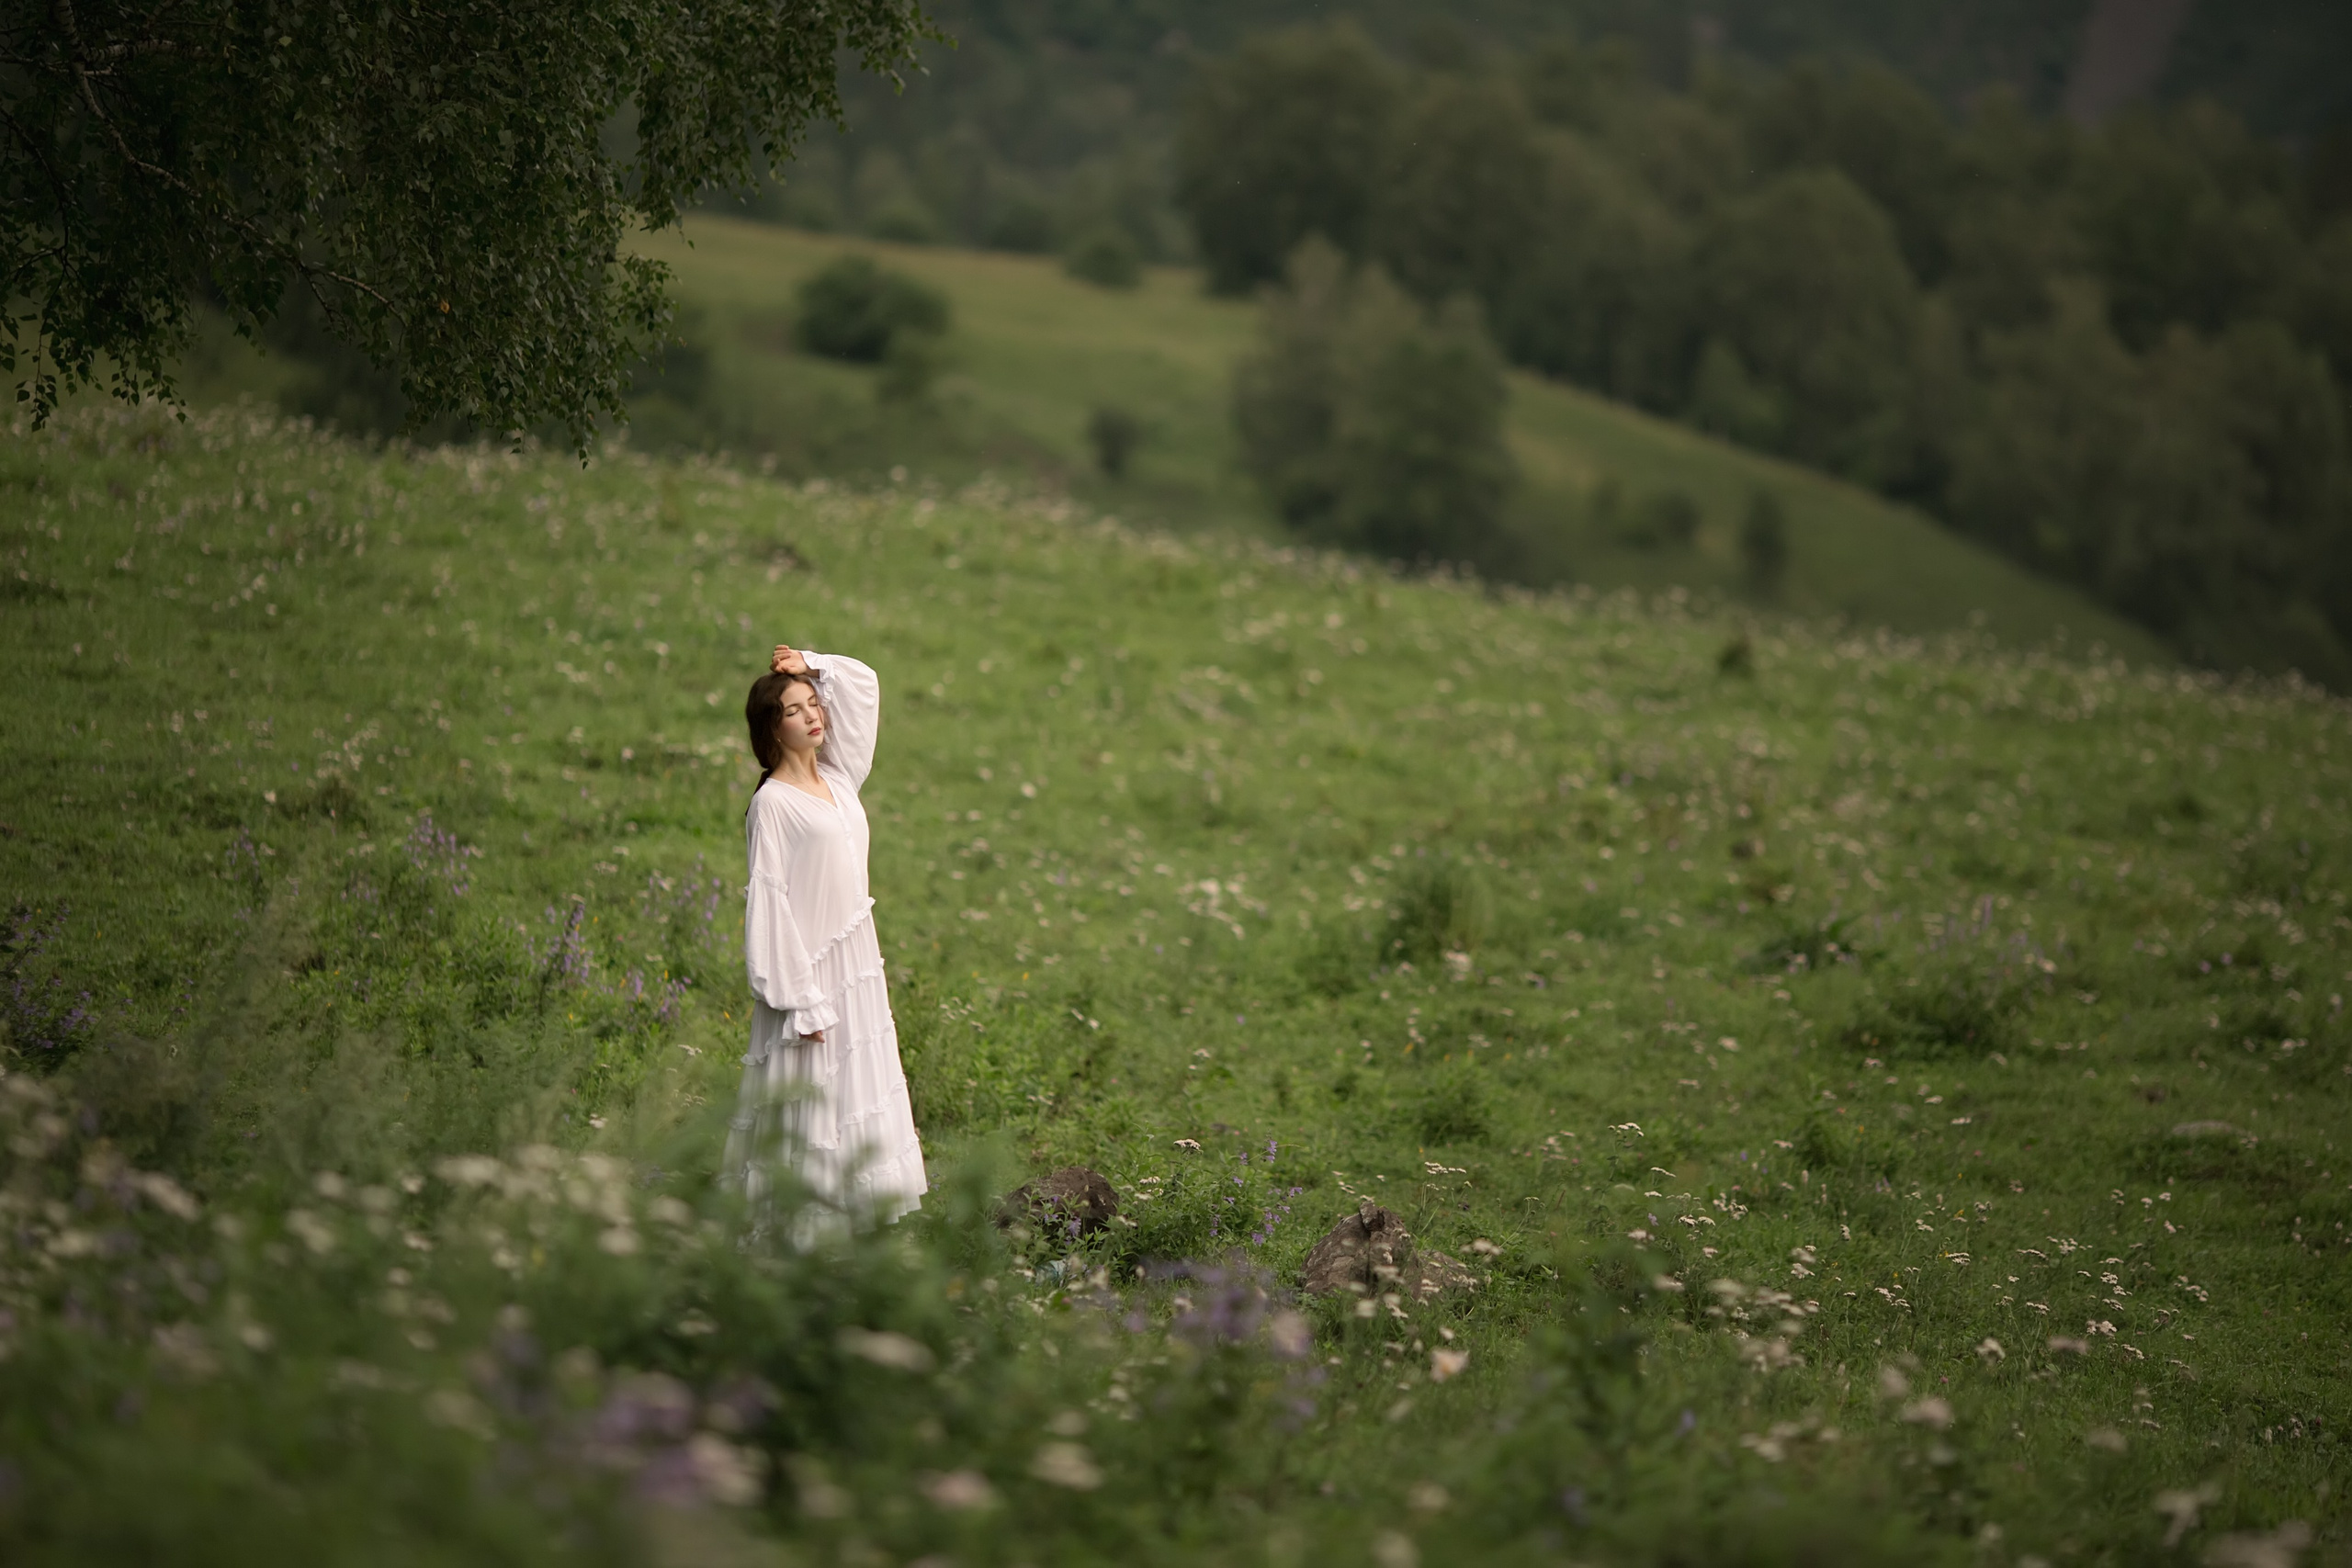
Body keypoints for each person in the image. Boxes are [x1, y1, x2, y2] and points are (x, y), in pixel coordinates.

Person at [723, 642, 927, 1237]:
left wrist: (809, 662)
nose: (813, 715)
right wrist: (797, 997)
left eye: (815, 703)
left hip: (857, 966)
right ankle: (798, 1242)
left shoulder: (840, 778)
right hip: (807, 981)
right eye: (795, 708)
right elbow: (770, 902)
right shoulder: (772, 806)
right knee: (809, 1108)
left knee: (858, 1097)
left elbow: (863, 685)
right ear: (771, 727)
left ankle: (862, 1232)